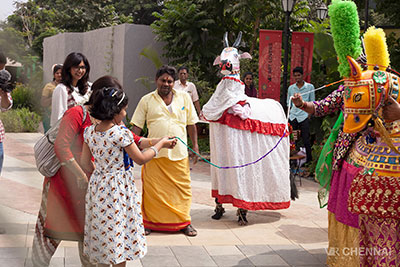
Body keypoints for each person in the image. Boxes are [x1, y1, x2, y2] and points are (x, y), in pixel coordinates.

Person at [80, 87, 177, 267]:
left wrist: (101, 175)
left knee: (104, 237)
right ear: (114, 111)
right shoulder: (120, 134)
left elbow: (85, 162)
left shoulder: (90, 132)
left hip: (99, 187)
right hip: (118, 189)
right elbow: (140, 159)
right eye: (124, 109)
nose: (125, 113)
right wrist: (161, 144)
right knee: (119, 236)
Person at [31, 76, 116, 267]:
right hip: (62, 187)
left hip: (91, 191)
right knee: (46, 241)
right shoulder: (77, 114)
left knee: (92, 242)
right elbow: (61, 147)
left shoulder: (109, 120)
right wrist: (80, 175)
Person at [131, 65, 199, 236]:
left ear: (173, 82)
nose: (166, 84)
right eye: (163, 80)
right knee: (154, 191)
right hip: (154, 154)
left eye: (169, 81)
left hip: (179, 154)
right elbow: (137, 127)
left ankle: (184, 223)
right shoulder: (146, 100)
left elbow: (191, 124)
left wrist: (195, 146)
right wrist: (130, 149)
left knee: (182, 190)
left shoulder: (184, 98)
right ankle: (149, 223)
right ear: (156, 80)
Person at [50, 52, 91, 126]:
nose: (80, 71)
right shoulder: (61, 89)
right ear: (69, 68)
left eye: (83, 67)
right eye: (76, 67)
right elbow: (58, 119)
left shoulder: (88, 87)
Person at [287, 66, 315, 163]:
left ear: (302, 76)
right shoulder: (291, 88)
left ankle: (309, 162)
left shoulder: (310, 87)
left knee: (306, 139)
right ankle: (293, 162)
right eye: (295, 76)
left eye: (299, 75)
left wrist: (308, 115)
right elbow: (289, 103)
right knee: (292, 139)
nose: (297, 77)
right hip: (293, 116)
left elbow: (312, 102)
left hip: (304, 116)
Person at [41, 64, 62, 132]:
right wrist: (55, 97)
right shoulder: (48, 86)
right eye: (57, 73)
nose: (59, 75)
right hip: (50, 115)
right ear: (54, 75)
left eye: (61, 73)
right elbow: (43, 103)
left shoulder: (67, 87)